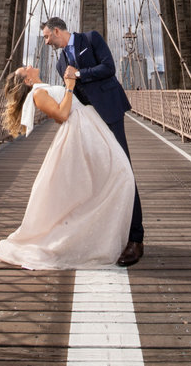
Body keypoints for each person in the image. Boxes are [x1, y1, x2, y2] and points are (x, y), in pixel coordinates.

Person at [0, 64, 135, 270]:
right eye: (25, 68)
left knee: (112, 178)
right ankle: (89, 240)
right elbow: (62, 115)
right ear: (27, 81)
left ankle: (95, 236)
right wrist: (69, 86)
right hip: (80, 133)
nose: (30, 65)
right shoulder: (38, 93)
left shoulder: (43, 88)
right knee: (119, 176)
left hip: (88, 127)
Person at [41, 16, 144, 267]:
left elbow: (109, 68)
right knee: (96, 176)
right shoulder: (59, 63)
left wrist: (79, 73)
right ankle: (106, 233)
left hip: (109, 112)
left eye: (46, 36)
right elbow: (72, 93)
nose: (46, 42)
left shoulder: (91, 38)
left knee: (124, 171)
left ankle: (135, 239)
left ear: (57, 31)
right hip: (88, 120)